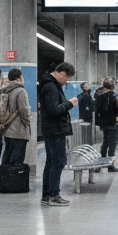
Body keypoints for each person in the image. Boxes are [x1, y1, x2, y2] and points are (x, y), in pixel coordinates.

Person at [38, 61, 77, 206]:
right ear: (62, 73)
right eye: (67, 78)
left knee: (51, 162)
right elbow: (54, 109)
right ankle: (53, 195)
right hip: (54, 129)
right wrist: (69, 104)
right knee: (58, 161)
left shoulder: (49, 85)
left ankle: (47, 195)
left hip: (53, 129)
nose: (66, 82)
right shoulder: (51, 87)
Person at [0, 67, 31, 167]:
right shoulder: (20, 91)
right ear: (19, 77)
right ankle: (14, 181)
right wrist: (27, 122)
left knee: (7, 157)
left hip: (7, 129)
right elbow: (24, 110)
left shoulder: (5, 90)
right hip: (18, 130)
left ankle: (4, 179)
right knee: (17, 160)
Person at [94, 76, 118, 172]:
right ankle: (110, 166)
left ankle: (100, 164)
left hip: (103, 122)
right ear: (112, 85)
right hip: (112, 122)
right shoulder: (113, 95)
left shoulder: (98, 95)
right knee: (112, 144)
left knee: (105, 143)